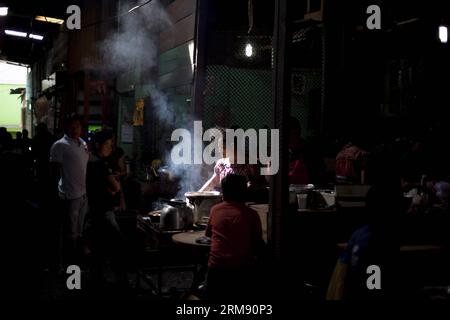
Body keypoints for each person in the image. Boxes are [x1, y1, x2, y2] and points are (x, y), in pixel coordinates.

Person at [204, 174, 266, 300]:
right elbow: (258, 244)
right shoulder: (251, 214)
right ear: (244, 193)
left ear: (223, 193)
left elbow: (208, 234)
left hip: (216, 271)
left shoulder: (215, 210)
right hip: (242, 272)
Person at [50, 114, 90, 267]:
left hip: (83, 195)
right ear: (66, 127)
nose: (75, 129)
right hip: (69, 196)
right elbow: (53, 171)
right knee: (69, 233)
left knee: (79, 232)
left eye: (78, 126)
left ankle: (75, 263)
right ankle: (67, 265)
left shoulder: (83, 144)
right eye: (72, 127)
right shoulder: (59, 145)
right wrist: (58, 193)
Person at [199, 127, 267, 202]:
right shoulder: (221, 164)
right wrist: (197, 195)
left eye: (223, 147)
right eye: (219, 148)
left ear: (233, 146)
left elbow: (261, 186)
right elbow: (214, 181)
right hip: (227, 205)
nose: (220, 150)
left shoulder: (251, 164)